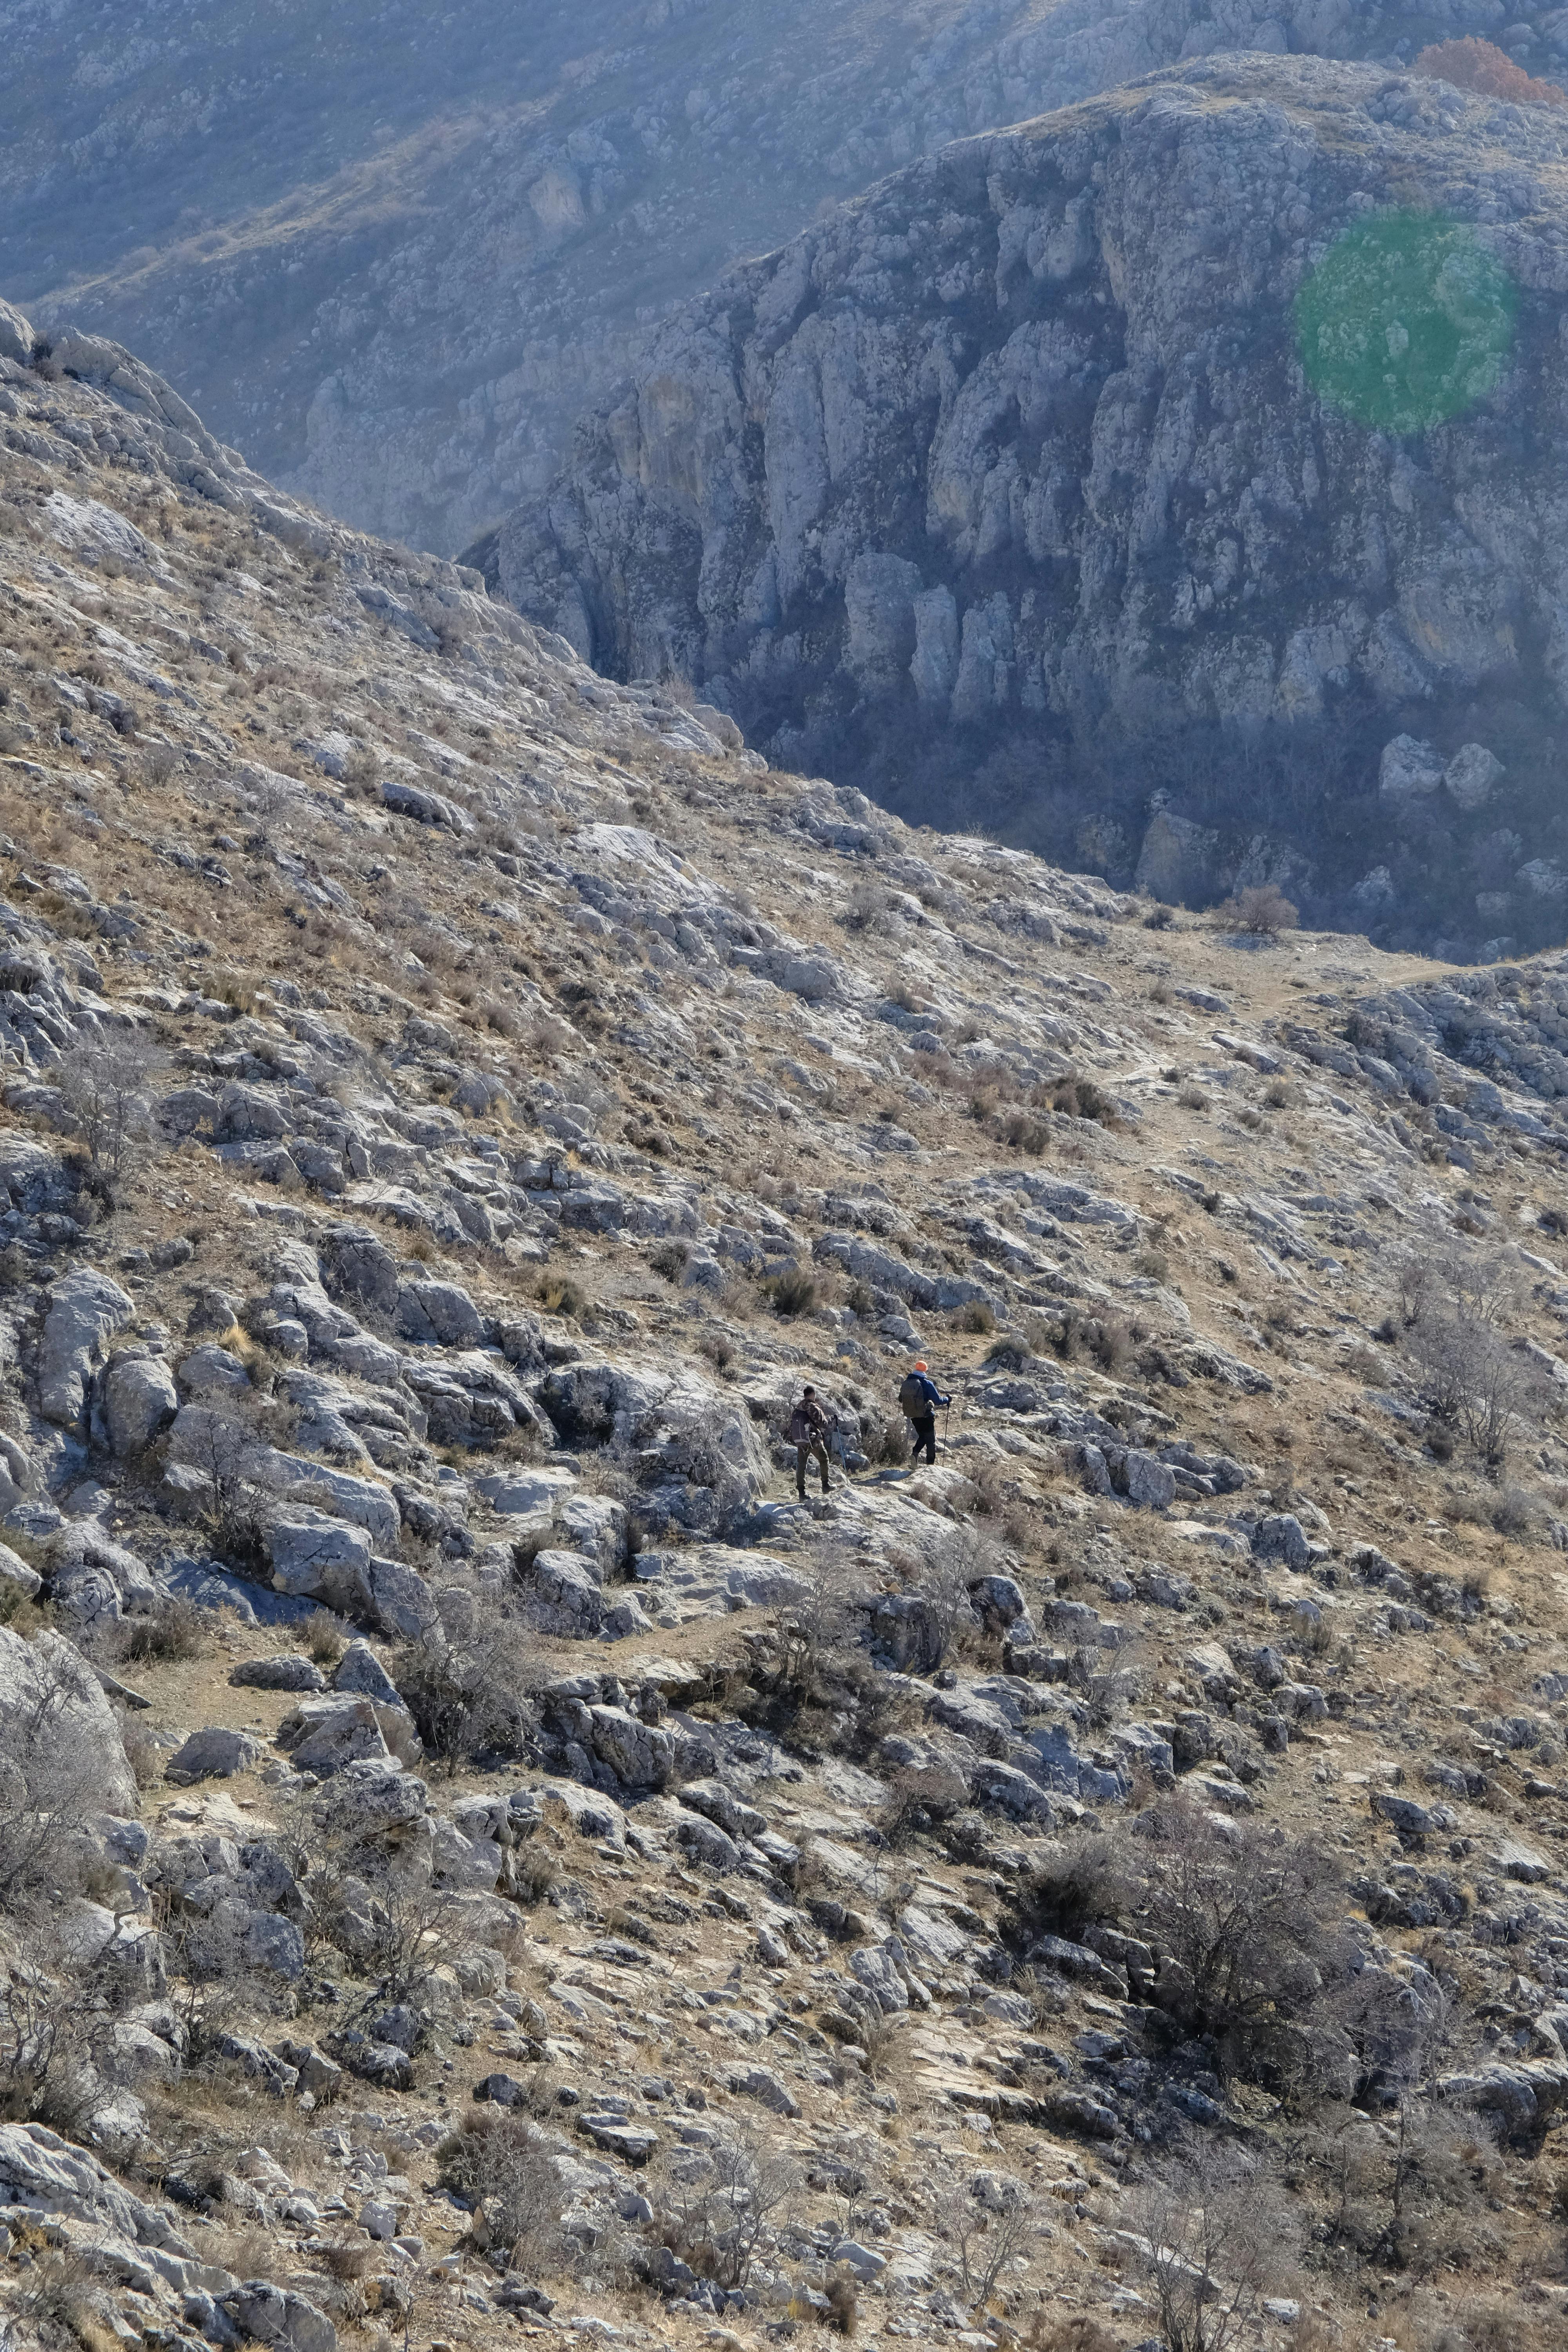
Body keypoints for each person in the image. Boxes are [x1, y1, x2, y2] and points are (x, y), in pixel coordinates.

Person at [898, 1359, 951, 1466]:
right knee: (931, 1440)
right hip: (926, 1415)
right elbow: (938, 1401)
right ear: (925, 1371)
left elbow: (901, 1399)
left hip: (913, 1415)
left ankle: (915, 1454)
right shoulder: (926, 1383)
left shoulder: (907, 1382)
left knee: (923, 1436)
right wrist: (948, 1399)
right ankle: (930, 1465)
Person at [786, 1384, 833, 1498]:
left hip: (801, 1440)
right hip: (813, 1440)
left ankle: (802, 1493)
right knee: (824, 1459)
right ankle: (826, 1485)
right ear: (813, 1395)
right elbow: (823, 1424)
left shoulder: (799, 1407)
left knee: (802, 1464)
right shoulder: (813, 1407)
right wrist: (831, 1420)